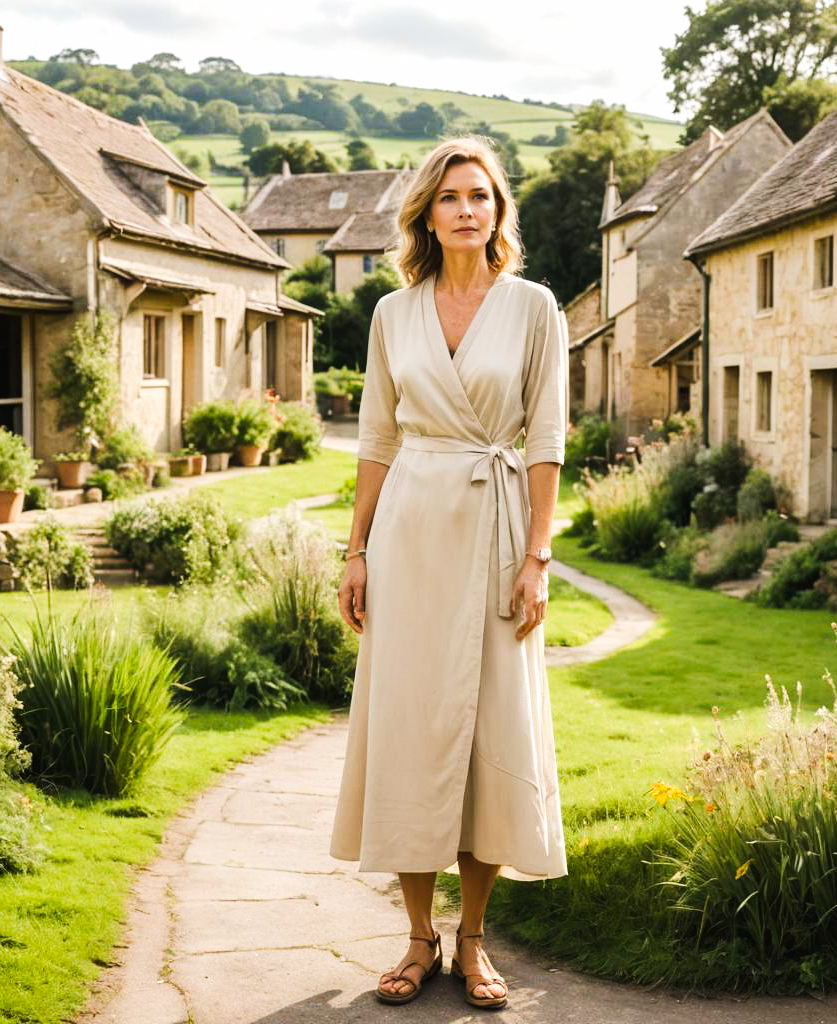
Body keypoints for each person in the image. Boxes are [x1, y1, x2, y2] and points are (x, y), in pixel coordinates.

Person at [331, 136, 568, 1011]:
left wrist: (537, 559)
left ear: (500, 212)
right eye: (450, 197)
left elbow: (545, 440)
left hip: (499, 529)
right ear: (427, 214)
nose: (467, 209)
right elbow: (377, 442)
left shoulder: (536, 307)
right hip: (410, 535)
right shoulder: (395, 314)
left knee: (489, 736)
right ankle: (415, 937)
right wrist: (355, 551)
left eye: (482, 196)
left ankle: (473, 941)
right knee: (408, 731)